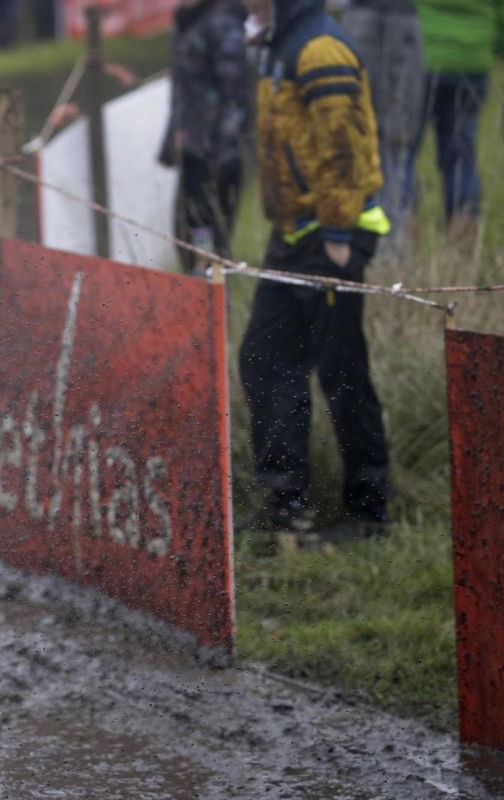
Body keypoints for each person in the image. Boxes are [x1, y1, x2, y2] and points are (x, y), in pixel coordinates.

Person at [238, 0, 392, 536]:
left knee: (343, 370)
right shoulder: (281, 43)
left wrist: (338, 236)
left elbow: (345, 149)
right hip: (294, 236)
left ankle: (370, 511)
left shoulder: (320, 47)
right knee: (263, 358)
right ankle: (286, 505)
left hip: (333, 236)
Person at [160, 0, 249, 274]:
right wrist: (170, 142)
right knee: (187, 230)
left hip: (217, 156)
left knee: (212, 240)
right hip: (192, 151)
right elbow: (182, 93)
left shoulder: (223, 24)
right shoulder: (187, 22)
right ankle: (197, 298)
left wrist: (223, 152)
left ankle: (214, 304)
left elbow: (237, 95)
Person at [338, 0, 424, 257]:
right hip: (375, 18)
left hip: (388, 18)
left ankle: (391, 252)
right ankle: (360, 246)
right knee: (357, 138)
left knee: (396, 144)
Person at [410, 0, 503, 236]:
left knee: (404, 151)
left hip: (422, 54)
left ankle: (403, 233)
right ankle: (462, 239)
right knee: (462, 154)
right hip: (473, 61)